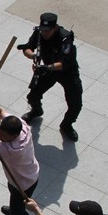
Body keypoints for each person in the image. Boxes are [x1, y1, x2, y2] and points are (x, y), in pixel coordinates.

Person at [19, 12, 83, 142]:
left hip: (67, 72)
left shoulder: (65, 39)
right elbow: (27, 48)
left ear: (55, 28)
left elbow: (64, 63)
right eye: (43, 30)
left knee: (75, 104)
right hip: (48, 70)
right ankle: (36, 111)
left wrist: (46, 67)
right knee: (33, 96)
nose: (44, 33)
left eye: (47, 31)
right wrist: (34, 56)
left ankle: (66, 125)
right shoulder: (39, 33)